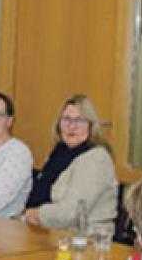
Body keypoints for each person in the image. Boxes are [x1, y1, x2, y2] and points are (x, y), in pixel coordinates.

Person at [24, 94, 117, 230]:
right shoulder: (60, 152)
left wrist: (35, 214)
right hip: (45, 233)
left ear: (91, 125)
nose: (72, 126)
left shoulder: (96, 159)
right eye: (66, 119)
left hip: (84, 241)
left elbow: (71, 213)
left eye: (79, 120)